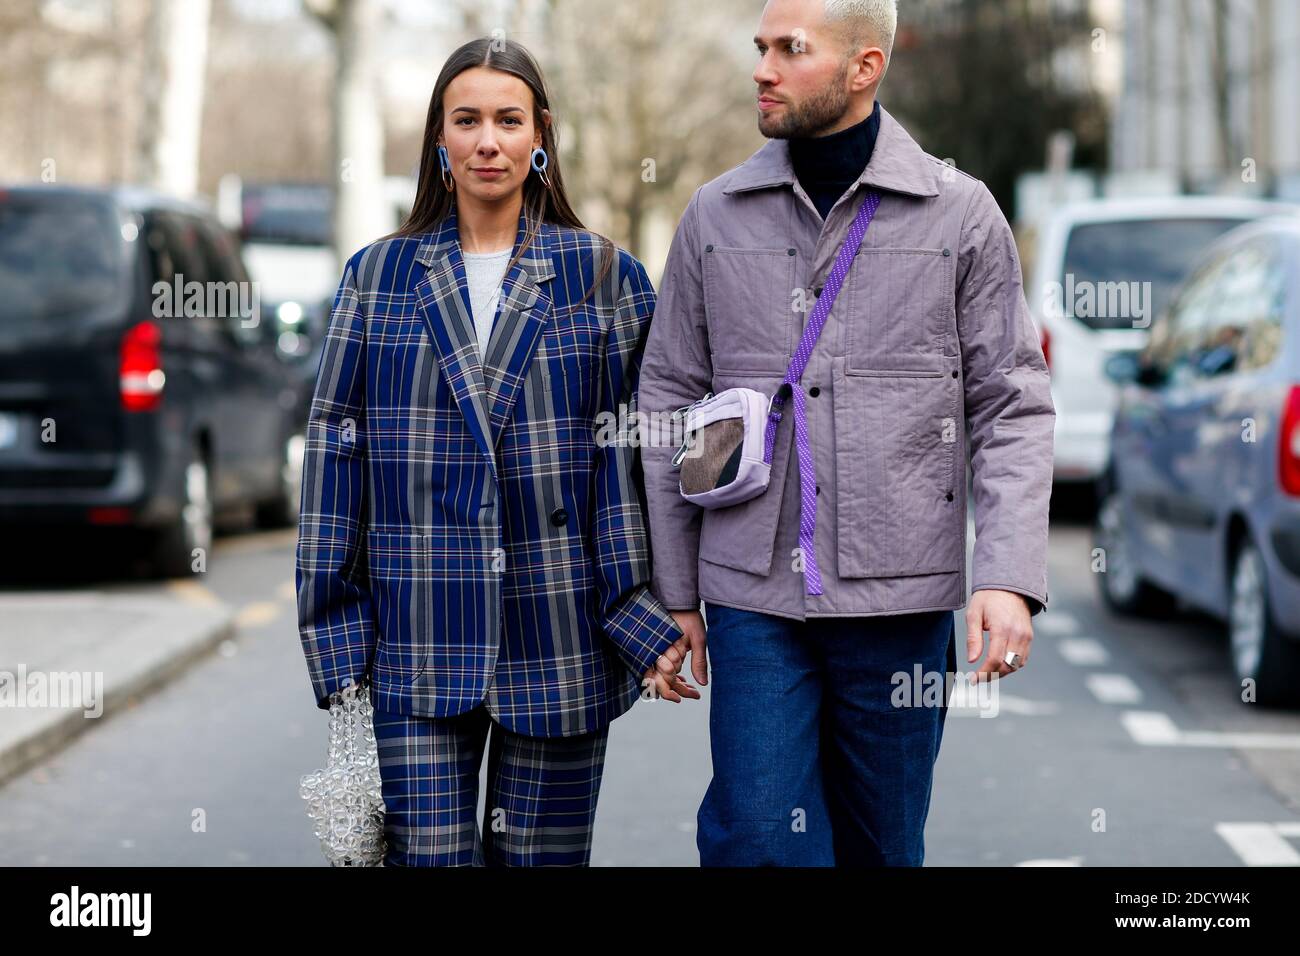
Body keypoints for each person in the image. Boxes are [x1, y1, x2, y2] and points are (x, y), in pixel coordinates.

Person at [639, 0, 1055, 866]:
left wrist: (1008, 576)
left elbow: (1012, 402)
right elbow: (670, 397)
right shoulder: (715, 215)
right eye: (761, 48)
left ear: (864, 67)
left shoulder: (959, 215)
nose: (762, 67)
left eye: (791, 49)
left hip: (900, 600)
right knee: (755, 836)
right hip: (754, 597)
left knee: (883, 845)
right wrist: (676, 594)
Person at [296, 37, 695, 868]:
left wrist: (643, 615)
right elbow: (337, 456)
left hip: (562, 635)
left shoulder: (602, 276)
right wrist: (338, 639)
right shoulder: (381, 276)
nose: (488, 141)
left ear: (539, 133)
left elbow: (634, 462)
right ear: (439, 140)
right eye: (466, 120)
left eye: (508, 120)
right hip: (417, 641)